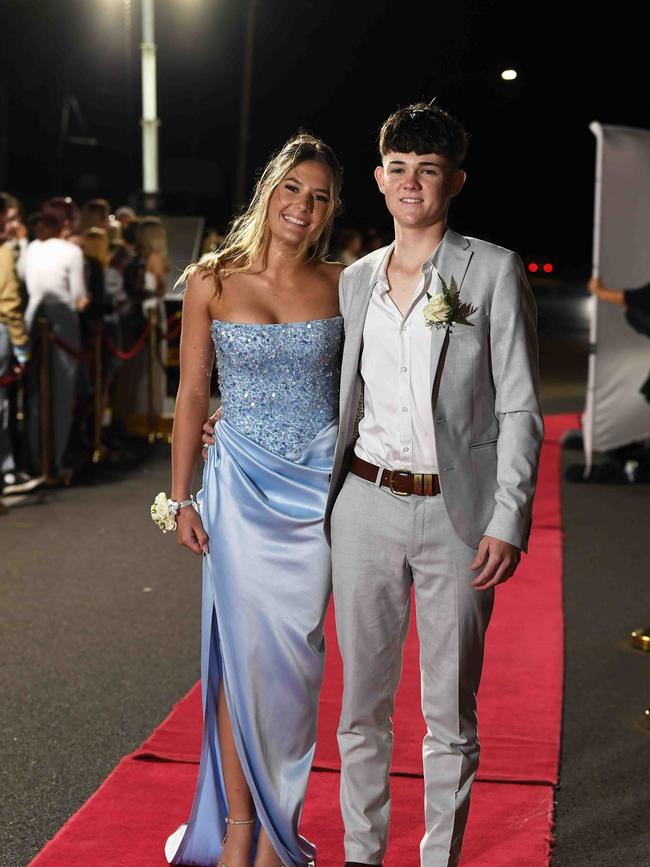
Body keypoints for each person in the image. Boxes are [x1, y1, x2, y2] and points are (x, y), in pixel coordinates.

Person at [201, 101, 543, 867]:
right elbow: (314, 381)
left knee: (449, 710)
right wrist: (234, 416)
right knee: (361, 707)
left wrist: (509, 515)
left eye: (429, 170)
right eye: (398, 168)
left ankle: (436, 858)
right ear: (381, 178)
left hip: (460, 515)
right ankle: (362, 853)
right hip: (360, 505)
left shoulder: (491, 269)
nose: (412, 183)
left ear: (454, 180)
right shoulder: (352, 280)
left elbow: (521, 404)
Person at [164, 133, 344, 867]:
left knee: (295, 671)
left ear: (332, 209)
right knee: (239, 663)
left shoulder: (345, 283)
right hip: (236, 487)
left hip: (319, 495)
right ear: (270, 189)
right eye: (293, 188)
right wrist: (180, 498)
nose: (303, 205)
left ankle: (279, 830)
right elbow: (191, 394)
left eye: (320, 195)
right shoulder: (210, 279)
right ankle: (241, 830)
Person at [23, 210, 89, 479]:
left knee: (34, 393)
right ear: (64, 225)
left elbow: (23, 278)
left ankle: (34, 461)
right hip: (61, 319)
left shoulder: (31, 247)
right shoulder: (72, 251)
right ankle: (55, 462)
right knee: (61, 395)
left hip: (32, 318)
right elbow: (78, 296)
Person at [0, 194, 43, 496]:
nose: (14, 224)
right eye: (10, 217)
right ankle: (6, 472)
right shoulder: (3, 253)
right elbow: (9, 304)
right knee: (2, 406)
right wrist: (21, 346)